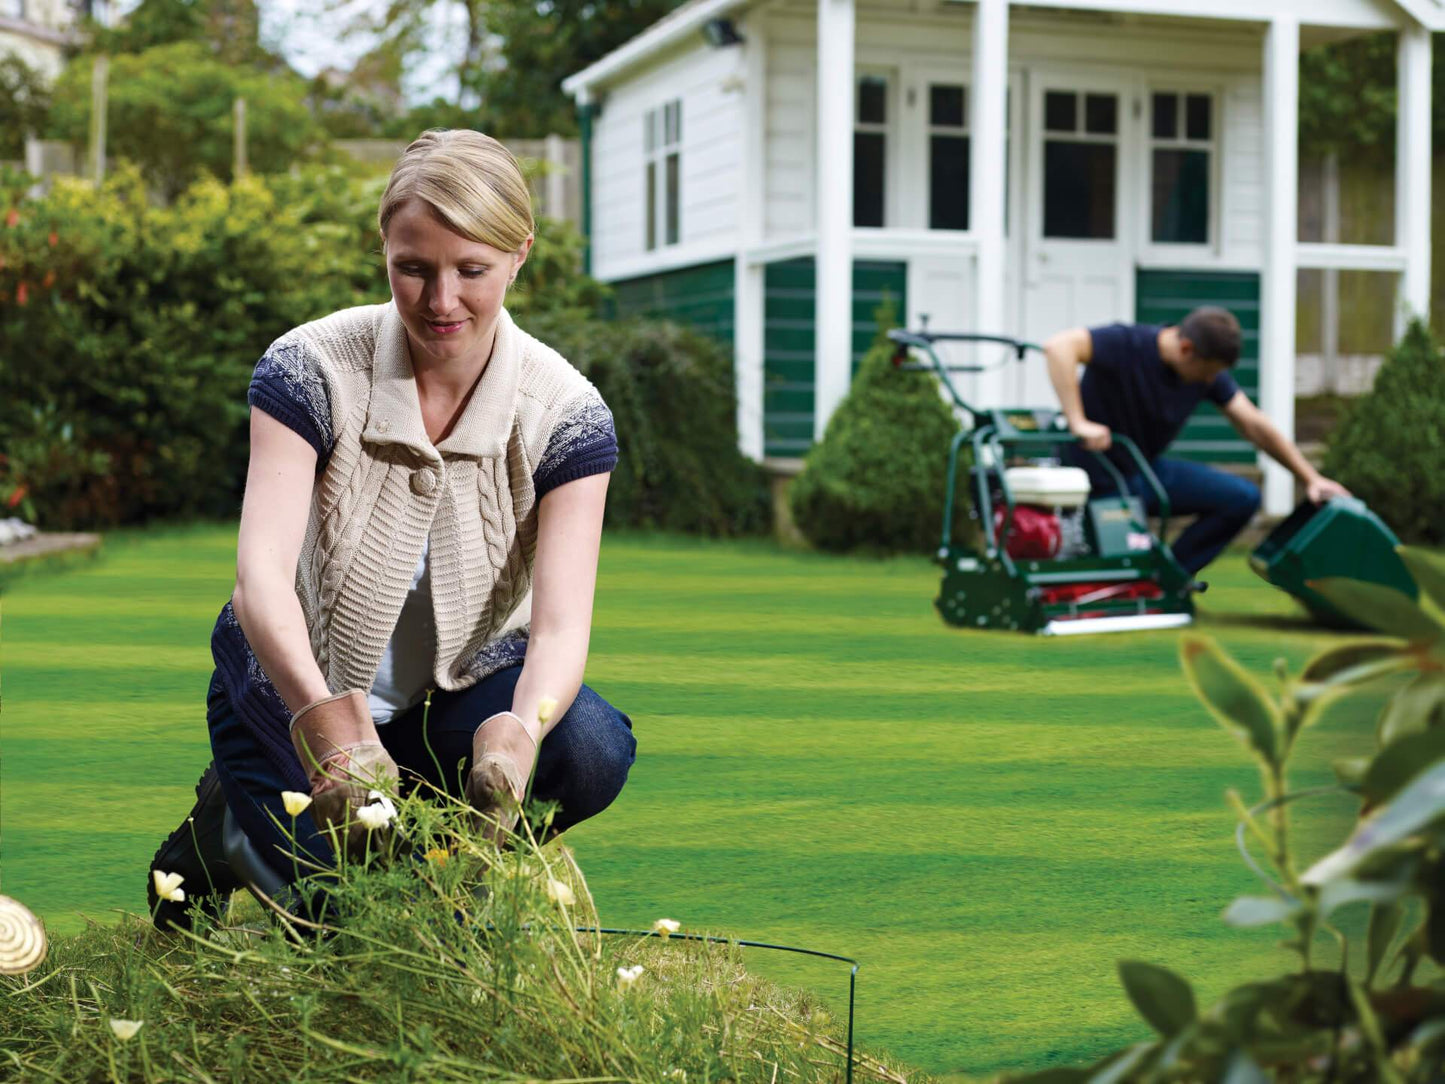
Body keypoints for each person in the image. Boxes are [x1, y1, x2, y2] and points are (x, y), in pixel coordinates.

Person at [147, 130, 636, 929]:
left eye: (471, 270)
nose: (441, 301)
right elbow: (260, 582)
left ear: (519, 256)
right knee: (341, 923)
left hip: (447, 705)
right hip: (289, 696)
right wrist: (326, 729)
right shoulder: (309, 367)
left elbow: (559, 629)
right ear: (383, 250)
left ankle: (428, 867)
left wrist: (519, 733)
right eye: (413, 268)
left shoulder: (568, 416)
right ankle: (222, 829)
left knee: (586, 748)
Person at [1043, 306, 1349, 576]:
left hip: (1146, 474)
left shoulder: (1205, 373)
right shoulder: (1126, 343)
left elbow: (1253, 423)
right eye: (1208, 372)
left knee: (1241, 497)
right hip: (1096, 478)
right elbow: (1059, 347)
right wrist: (1077, 421)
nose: (1208, 381)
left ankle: (1168, 579)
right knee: (1113, 563)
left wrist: (1309, 478)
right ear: (1187, 348)